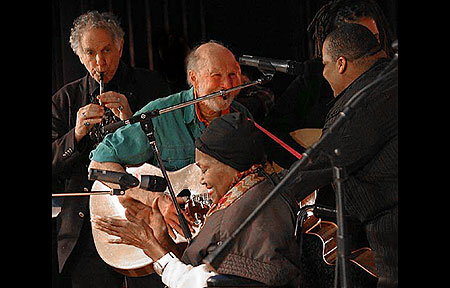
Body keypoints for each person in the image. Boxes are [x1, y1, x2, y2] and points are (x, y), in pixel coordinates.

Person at [92, 112, 302, 288]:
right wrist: (162, 240)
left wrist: (150, 246)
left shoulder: (253, 214)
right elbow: (192, 271)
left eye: (205, 169)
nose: (202, 180)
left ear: (229, 164)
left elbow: (206, 284)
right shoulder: (249, 194)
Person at [52, 10, 171, 288]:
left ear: (120, 46)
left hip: (146, 220)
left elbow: (174, 153)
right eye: (90, 53)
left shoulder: (151, 86)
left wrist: (133, 124)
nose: (99, 61)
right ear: (80, 56)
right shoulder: (64, 100)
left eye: (106, 50)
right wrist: (77, 135)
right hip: (86, 232)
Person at [88, 40, 252, 237]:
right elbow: (99, 165)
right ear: (194, 78)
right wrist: (154, 199)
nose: (227, 85)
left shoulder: (242, 118)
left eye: (232, 75)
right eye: (216, 76)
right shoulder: (160, 115)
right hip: (169, 239)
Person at [285, 23, 397, 288]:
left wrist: (257, 190)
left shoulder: (360, 101)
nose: (323, 73)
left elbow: (317, 167)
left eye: (325, 64)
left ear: (341, 63)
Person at [264, 0, 395, 170]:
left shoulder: (391, 75)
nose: (370, 48)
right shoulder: (314, 76)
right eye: (359, 39)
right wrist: (311, 166)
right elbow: (271, 132)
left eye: (375, 39)